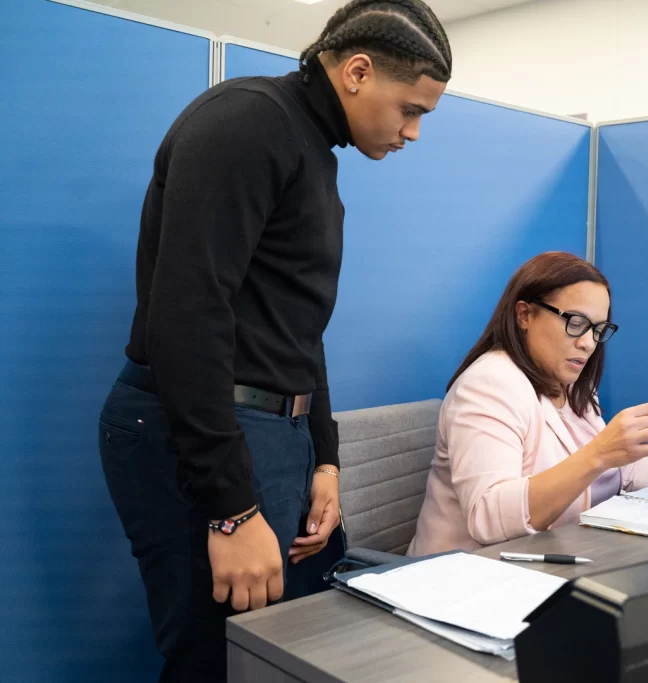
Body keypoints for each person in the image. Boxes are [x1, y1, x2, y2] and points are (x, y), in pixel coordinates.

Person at [97, 2, 452, 680]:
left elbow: (295, 326)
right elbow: (188, 319)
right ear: (356, 71)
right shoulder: (247, 124)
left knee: (271, 658)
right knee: (221, 660)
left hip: (267, 432)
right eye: (412, 109)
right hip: (202, 431)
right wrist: (231, 509)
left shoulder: (311, 150)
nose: (412, 132)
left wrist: (323, 456)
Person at [408, 252, 648, 556]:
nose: (588, 344)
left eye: (598, 329)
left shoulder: (569, 383)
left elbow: (620, 474)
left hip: (543, 563)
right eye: (576, 323)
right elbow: (490, 520)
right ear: (525, 315)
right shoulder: (488, 385)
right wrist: (599, 453)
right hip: (463, 579)